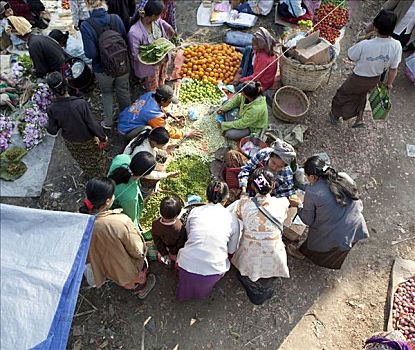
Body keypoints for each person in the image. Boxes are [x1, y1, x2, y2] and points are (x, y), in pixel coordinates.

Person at [288, 156, 369, 269]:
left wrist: (298, 205)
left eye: (307, 177)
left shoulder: (313, 192)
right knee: (341, 248)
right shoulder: (343, 176)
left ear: (312, 177)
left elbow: (308, 220)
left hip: (336, 233)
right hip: (356, 224)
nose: (307, 179)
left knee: (318, 241)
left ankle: (303, 254)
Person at [80, 177, 156, 298]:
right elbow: (137, 250)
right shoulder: (120, 221)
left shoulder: (80, 221)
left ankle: (126, 284)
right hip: (125, 267)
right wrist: (144, 254)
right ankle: (140, 287)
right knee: (137, 274)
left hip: (104, 267)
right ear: (107, 201)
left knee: (120, 277)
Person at [330, 10, 402, 128]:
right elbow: (394, 69)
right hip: (375, 78)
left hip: (358, 78)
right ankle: (359, 119)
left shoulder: (366, 44)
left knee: (342, 94)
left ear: (375, 27)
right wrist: (389, 84)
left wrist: (365, 37)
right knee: (361, 95)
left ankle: (335, 115)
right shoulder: (397, 45)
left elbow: (350, 55)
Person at [231, 168, 290, 305]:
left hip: (250, 253)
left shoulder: (244, 204)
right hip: (275, 252)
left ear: (252, 186)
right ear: (273, 185)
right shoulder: (282, 203)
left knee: (247, 269)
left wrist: (244, 196)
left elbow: (239, 215)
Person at [176, 181, 240, 301]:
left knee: (185, 284)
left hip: (185, 263)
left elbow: (189, 234)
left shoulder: (195, 211)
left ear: (206, 196)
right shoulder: (232, 219)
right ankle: (201, 295)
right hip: (214, 270)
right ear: (226, 199)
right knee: (204, 287)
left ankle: (183, 296)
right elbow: (231, 250)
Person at [80, 0, 131, 129]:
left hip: (102, 69)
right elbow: (125, 39)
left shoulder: (86, 25)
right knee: (123, 91)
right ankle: (128, 120)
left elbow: (90, 53)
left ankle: (108, 122)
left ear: (86, 5)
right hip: (122, 64)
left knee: (107, 92)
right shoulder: (116, 18)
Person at [46, 72, 107, 179]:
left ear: (51, 90)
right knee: (95, 159)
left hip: (71, 142)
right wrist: (102, 137)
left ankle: (89, 174)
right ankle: (101, 177)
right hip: (87, 140)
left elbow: (52, 130)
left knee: (81, 159)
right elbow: (92, 124)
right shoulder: (80, 104)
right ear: (67, 82)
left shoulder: (52, 108)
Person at [118, 84, 202, 140]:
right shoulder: (152, 114)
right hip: (126, 130)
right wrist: (186, 134)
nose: (169, 104)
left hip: (124, 118)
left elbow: (156, 108)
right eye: (169, 102)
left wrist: (169, 114)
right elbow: (167, 130)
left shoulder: (150, 94)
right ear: (162, 100)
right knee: (150, 129)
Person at [129, 0, 175, 91]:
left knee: (162, 78)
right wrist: (154, 62)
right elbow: (135, 54)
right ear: (153, 16)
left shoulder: (155, 20)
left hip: (162, 60)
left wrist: (168, 27)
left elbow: (161, 21)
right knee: (153, 88)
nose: (159, 17)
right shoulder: (134, 32)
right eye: (159, 14)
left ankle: (162, 88)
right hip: (150, 67)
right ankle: (155, 99)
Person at [107, 152, 156, 228]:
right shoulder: (131, 197)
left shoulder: (122, 158)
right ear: (145, 175)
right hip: (111, 210)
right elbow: (130, 218)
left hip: (106, 192)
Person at [235, 27, 278, 91]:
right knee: (248, 49)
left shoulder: (263, 58)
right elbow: (252, 51)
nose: (253, 47)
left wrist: (241, 80)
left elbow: (255, 77)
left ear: (261, 45)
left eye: (255, 45)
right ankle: (242, 71)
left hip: (261, 82)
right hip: (257, 70)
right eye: (253, 44)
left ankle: (243, 75)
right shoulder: (264, 49)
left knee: (239, 88)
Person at [151, 195, 187, 264]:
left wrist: (164, 252)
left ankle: (163, 257)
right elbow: (181, 243)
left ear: (160, 212)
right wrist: (172, 252)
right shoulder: (180, 227)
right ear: (177, 215)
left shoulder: (155, 223)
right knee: (177, 260)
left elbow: (156, 239)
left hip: (162, 247)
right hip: (174, 250)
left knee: (160, 256)